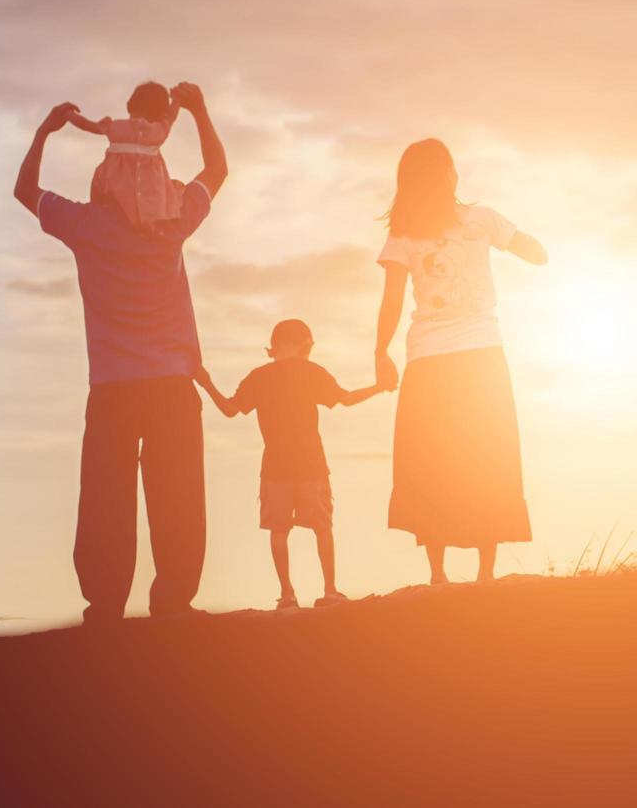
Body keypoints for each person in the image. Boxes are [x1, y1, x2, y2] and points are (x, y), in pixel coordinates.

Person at [12, 82, 228, 625]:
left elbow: (25, 190)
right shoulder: (173, 215)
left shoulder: (88, 225)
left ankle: (104, 606)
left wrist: (45, 131)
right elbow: (217, 171)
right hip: (172, 386)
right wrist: (199, 112)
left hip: (112, 388)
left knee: (106, 498)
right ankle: (174, 603)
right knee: (177, 494)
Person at [372, 138, 547, 584]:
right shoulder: (481, 219)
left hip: (428, 360)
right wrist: (520, 241)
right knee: (486, 457)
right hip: (481, 358)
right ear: (447, 174)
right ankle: (485, 573)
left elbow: (391, 300)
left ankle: (438, 575)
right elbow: (537, 253)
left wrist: (380, 353)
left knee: (430, 462)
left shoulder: (403, 234)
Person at [197, 319, 388, 610]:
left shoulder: (258, 377)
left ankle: (287, 595)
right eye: (308, 345)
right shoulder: (311, 372)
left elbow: (229, 409)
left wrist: (205, 380)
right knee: (322, 527)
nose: (309, 351)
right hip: (311, 464)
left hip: (275, 467)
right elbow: (346, 399)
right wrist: (379, 387)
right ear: (298, 344)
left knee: (279, 530)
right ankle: (330, 590)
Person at [63, 81, 184, 233]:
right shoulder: (159, 131)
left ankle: (103, 220)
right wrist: (177, 98)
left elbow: (88, 125)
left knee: (103, 197)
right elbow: (172, 115)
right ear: (161, 113)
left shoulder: (116, 127)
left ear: (130, 105)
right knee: (163, 199)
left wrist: (68, 115)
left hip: (116, 194)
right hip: (150, 203)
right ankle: (149, 228)